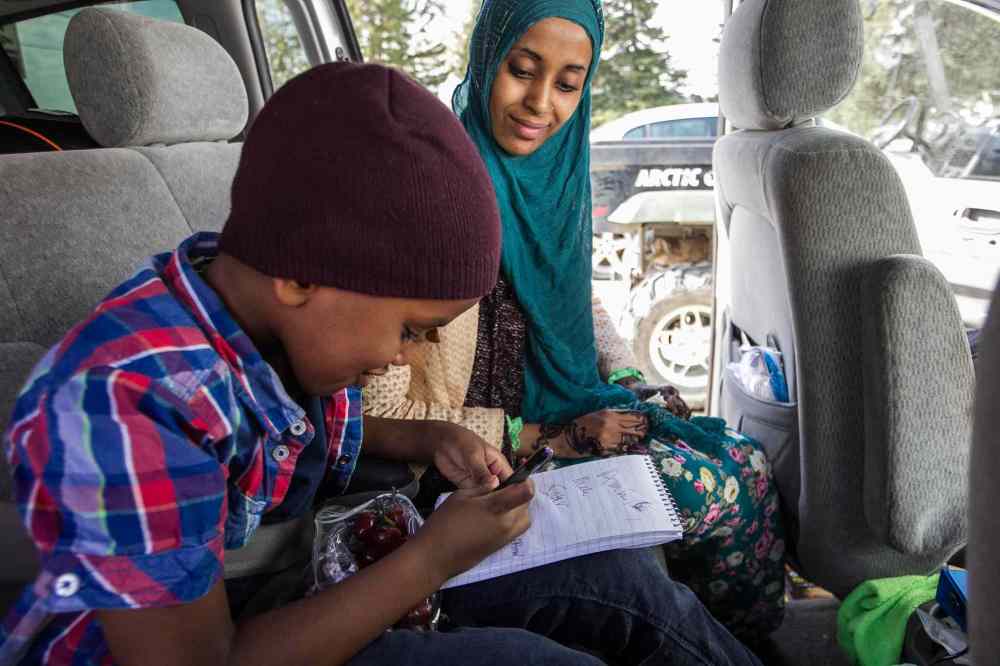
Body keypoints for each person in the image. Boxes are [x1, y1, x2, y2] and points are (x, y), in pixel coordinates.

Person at [0, 61, 762, 665]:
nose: (409, 354)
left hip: (300, 579)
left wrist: (428, 439)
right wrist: (428, 562)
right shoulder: (127, 401)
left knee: (624, 588)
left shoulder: (272, 309)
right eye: (409, 329)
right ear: (301, 279)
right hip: (211, 638)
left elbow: (316, 432)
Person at [364, 0, 786, 639]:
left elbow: (572, 300)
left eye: (566, 84)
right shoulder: (435, 196)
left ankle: (744, 643)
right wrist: (551, 436)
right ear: (485, 60)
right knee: (716, 488)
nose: (541, 103)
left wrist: (630, 373)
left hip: (568, 400)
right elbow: (385, 417)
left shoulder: (554, 172)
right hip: (492, 452)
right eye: (521, 70)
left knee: (744, 459)